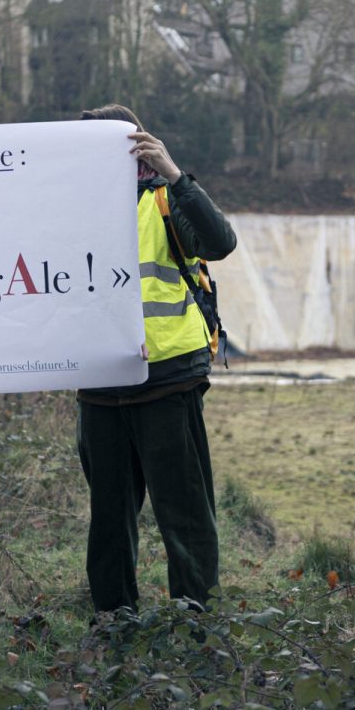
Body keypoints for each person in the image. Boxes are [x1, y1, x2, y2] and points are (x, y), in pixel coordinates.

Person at [75, 104, 236, 612]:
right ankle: (114, 625)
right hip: (100, 387)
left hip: (168, 383)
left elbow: (220, 243)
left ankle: (194, 629)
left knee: (185, 518)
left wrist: (175, 174)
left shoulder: (166, 200)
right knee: (109, 522)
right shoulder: (69, 210)